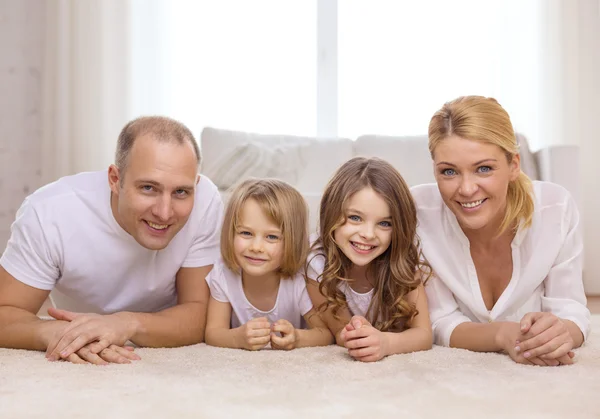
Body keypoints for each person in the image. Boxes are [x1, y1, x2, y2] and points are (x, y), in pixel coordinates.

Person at [0, 116, 223, 365]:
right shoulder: (49, 212)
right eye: (148, 188)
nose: (164, 212)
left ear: (196, 185)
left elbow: (200, 314)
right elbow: (5, 312)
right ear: (115, 180)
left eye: (181, 192)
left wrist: (126, 324)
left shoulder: (205, 201)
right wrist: (56, 332)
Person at [412, 95, 590, 366]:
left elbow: (571, 308)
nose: (467, 188)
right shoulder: (418, 214)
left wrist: (560, 333)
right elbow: (439, 321)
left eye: (484, 169)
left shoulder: (555, 208)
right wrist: (504, 335)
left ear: (514, 165)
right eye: (449, 172)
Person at [306, 157, 432, 362]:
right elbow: (340, 333)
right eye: (355, 218)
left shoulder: (405, 259)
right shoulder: (316, 263)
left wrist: (386, 343)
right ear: (331, 213)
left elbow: (424, 334)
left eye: (384, 223)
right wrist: (355, 333)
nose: (368, 234)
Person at [204, 178, 332, 350]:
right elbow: (213, 333)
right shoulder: (223, 274)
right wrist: (237, 338)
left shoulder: (299, 281)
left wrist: (297, 338)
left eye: (272, 237)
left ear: (292, 241)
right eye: (246, 233)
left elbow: (325, 334)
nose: (256, 247)